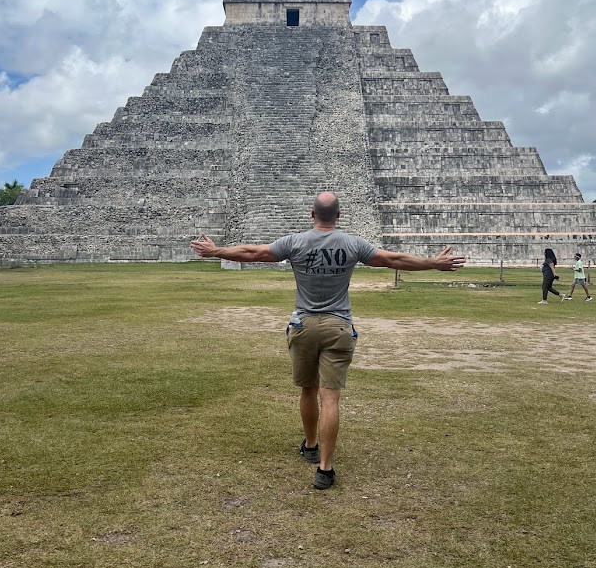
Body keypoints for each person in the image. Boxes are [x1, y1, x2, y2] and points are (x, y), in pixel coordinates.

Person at [190, 191, 466, 490]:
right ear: (339, 215)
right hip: (338, 326)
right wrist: (432, 263)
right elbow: (392, 259)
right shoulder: (351, 243)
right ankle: (325, 468)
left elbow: (252, 253)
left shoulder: (295, 242)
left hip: (304, 325)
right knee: (330, 397)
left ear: (312, 214)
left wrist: (216, 251)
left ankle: (310, 445)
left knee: (308, 390)